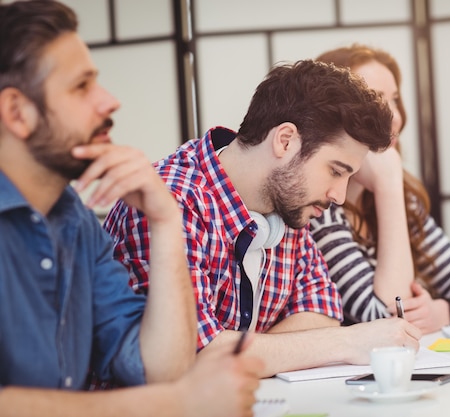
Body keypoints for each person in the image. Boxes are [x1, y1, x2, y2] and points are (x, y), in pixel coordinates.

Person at [0, 1, 262, 416]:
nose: (110, 101)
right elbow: (172, 391)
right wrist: (179, 403)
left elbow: (160, 369)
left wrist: (164, 220)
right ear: (17, 112)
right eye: (81, 86)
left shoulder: (76, 223)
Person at [104, 58, 423, 378]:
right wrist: (349, 341)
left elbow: (322, 312)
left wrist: (233, 353)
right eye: (335, 171)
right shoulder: (169, 201)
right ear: (285, 140)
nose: (338, 196)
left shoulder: (288, 200)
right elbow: (189, 356)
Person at [310, 44, 450, 333]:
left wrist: (442, 311)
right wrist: (387, 184)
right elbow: (386, 320)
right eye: (374, 99)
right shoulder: (319, 206)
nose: (395, 116)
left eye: (395, 100)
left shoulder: (403, 200)